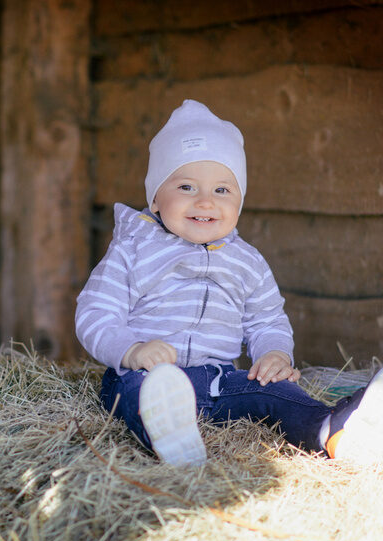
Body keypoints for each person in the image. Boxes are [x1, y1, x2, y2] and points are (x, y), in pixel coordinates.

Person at [75, 99, 383, 467]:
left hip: (219, 383)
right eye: (187, 187)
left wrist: (274, 353)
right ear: (155, 199)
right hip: (146, 377)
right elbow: (95, 312)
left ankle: (335, 431)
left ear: (239, 201)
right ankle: (169, 436)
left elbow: (266, 320)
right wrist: (132, 350)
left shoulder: (246, 261)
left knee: (277, 393)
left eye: (222, 190)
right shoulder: (133, 250)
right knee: (137, 395)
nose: (205, 201)